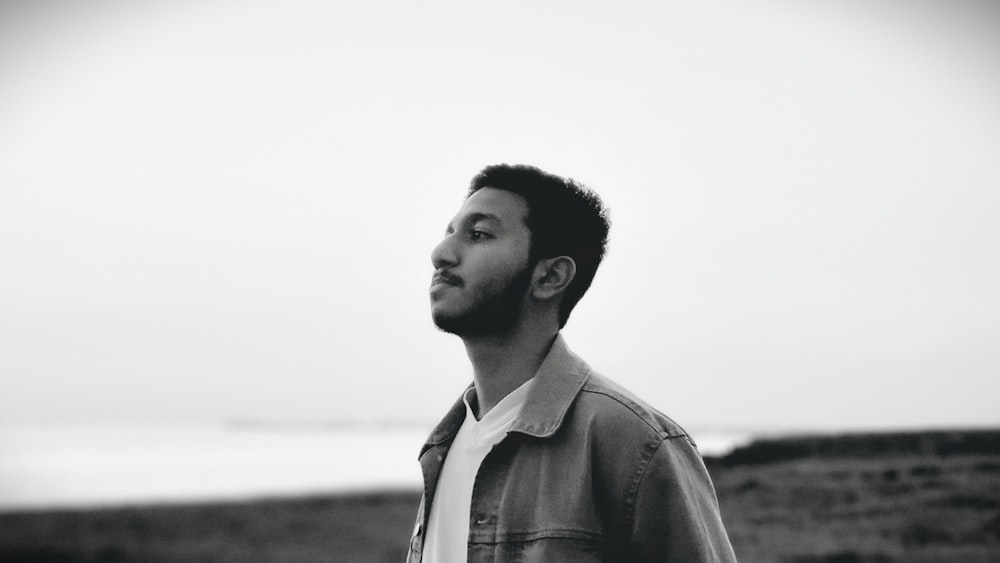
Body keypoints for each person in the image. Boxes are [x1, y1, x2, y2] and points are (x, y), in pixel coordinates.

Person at [408, 164, 736, 562]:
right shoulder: (444, 445)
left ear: (550, 276)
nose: (440, 254)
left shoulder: (636, 445)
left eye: (479, 234)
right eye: (450, 232)